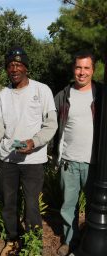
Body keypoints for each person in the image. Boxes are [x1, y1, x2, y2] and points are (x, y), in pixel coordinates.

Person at [0, 46, 57, 255]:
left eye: (18, 64)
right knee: (8, 204)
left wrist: (34, 142)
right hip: (8, 160)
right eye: (10, 65)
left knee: (31, 205)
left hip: (34, 160)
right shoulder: (2, 96)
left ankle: (32, 243)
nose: (14, 69)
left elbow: (51, 125)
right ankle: (12, 239)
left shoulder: (41, 90)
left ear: (26, 67)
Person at [53, 50, 100, 256]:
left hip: (95, 163)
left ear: (93, 70)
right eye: (78, 67)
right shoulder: (63, 96)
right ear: (73, 69)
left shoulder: (102, 95)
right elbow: (50, 125)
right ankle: (70, 241)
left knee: (94, 207)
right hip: (69, 162)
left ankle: (91, 243)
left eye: (86, 68)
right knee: (67, 206)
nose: (82, 72)